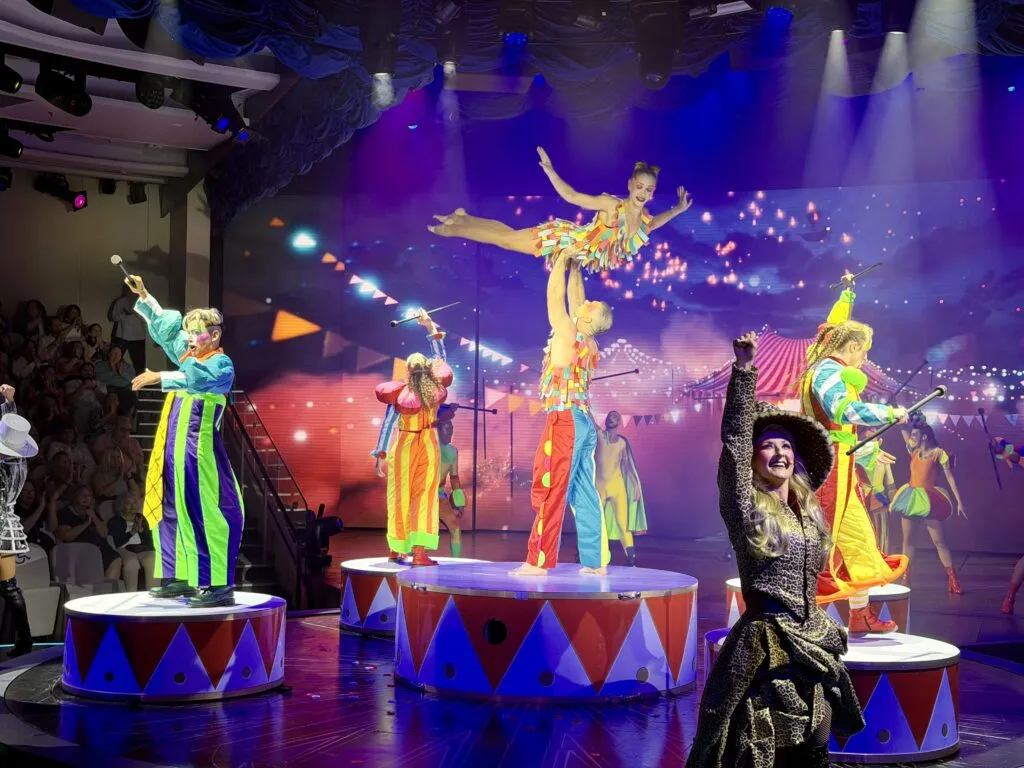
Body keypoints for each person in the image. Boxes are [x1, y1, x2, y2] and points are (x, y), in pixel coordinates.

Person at [687, 333, 863, 768]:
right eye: (768, 444)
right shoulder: (745, 506)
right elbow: (735, 442)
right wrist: (744, 371)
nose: (779, 452)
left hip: (813, 645)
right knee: (762, 752)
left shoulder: (809, 514)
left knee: (814, 751)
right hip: (766, 651)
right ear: (753, 458)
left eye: (786, 445)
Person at [126, 274, 243, 608]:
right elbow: (167, 333)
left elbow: (198, 380)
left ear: (214, 335)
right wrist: (145, 295)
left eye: (195, 332)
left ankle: (218, 583)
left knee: (205, 511)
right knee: (171, 509)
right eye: (189, 332)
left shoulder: (220, 364)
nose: (189, 338)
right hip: (173, 449)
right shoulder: (191, 354)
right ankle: (180, 575)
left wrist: (160, 376)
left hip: (198, 451)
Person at [800, 274, 908, 634]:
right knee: (823, 543)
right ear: (851, 346)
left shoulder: (829, 366)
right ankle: (801, 623)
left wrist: (869, 452)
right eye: (863, 350)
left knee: (859, 539)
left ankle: (860, 615)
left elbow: (831, 326)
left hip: (842, 468)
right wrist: (888, 414)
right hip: (827, 471)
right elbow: (842, 412)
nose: (865, 357)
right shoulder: (828, 371)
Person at [428, 148, 693, 272]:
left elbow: (655, 222)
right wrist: (551, 172)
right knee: (506, 240)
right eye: (639, 187)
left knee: (508, 236)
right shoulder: (613, 205)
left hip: (571, 251)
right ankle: (453, 229)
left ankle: (462, 218)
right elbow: (572, 196)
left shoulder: (643, 221)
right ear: (630, 185)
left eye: (648, 190)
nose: (642, 193)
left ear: (652, 192)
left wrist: (678, 209)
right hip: (563, 241)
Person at [512, 253, 612, 576]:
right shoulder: (588, 341)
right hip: (582, 423)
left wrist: (559, 260)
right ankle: (595, 563)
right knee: (583, 490)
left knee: (552, 487)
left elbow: (555, 296)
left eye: (590, 305)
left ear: (587, 319)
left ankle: (538, 561)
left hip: (566, 421)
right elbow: (575, 297)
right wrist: (575, 265)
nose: (585, 302)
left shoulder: (569, 332)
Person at [372, 310, 453, 566]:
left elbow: (387, 426)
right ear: (427, 370)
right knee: (424, 496)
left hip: (404, 446)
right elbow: (441, 359)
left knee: (399, 495)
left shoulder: (400, 394)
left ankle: (396, 549)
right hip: (427, 444)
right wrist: (430, 327)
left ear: (407, 371)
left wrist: (380, 455)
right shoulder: (434, 389)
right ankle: (418, 552)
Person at [891, 421, 966, 593]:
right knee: (908, 541)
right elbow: (903, 430)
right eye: (912, 435)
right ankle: (906, 577)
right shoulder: (913, 450)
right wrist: (901, 420)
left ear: (924, 437)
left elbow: (950, 477)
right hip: (911, 499)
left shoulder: (938, 453)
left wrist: (959, 501)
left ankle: (953, 580)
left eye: (915, 435)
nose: (912, 437)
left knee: (939, 541)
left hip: (929, 499)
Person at [0, 384, 39, 657]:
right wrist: (9, 403)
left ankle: (24, 640)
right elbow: (11, 429)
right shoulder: (19, 463)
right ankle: (25, 640)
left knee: (9, 588)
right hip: (7, 527)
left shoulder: (4, 468)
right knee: (9, 587)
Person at [596, 410, 647, 566]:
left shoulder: (620, 442)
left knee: (621, 524)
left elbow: (627, 465)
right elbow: (627, 465)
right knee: (598, 522)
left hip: (614, 486)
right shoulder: (600, 436)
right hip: (603, 487)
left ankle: (631, 558)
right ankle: (590, 555)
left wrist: (635, 485)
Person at [854, 436, 896, 551]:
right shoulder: (856, 458)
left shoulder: (883, 458)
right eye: (866, 439)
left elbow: (890, 483)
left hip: (879, 499)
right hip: (860, 499)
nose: (870, 444)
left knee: (881, 535)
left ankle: (881, 555)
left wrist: (893, 503)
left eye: (872, 440)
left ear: (879, 441)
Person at [436, 407, 466, 558]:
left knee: (455, 529)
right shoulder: (428, 448)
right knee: (417, 532)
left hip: (440, 496)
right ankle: (408, 561)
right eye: (447, 429)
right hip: (423, 496)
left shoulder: (453, 451)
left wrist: (459, 503)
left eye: (452, 429)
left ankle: (456, 562)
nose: (451, 432)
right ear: (438, 430)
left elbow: (454, 477)